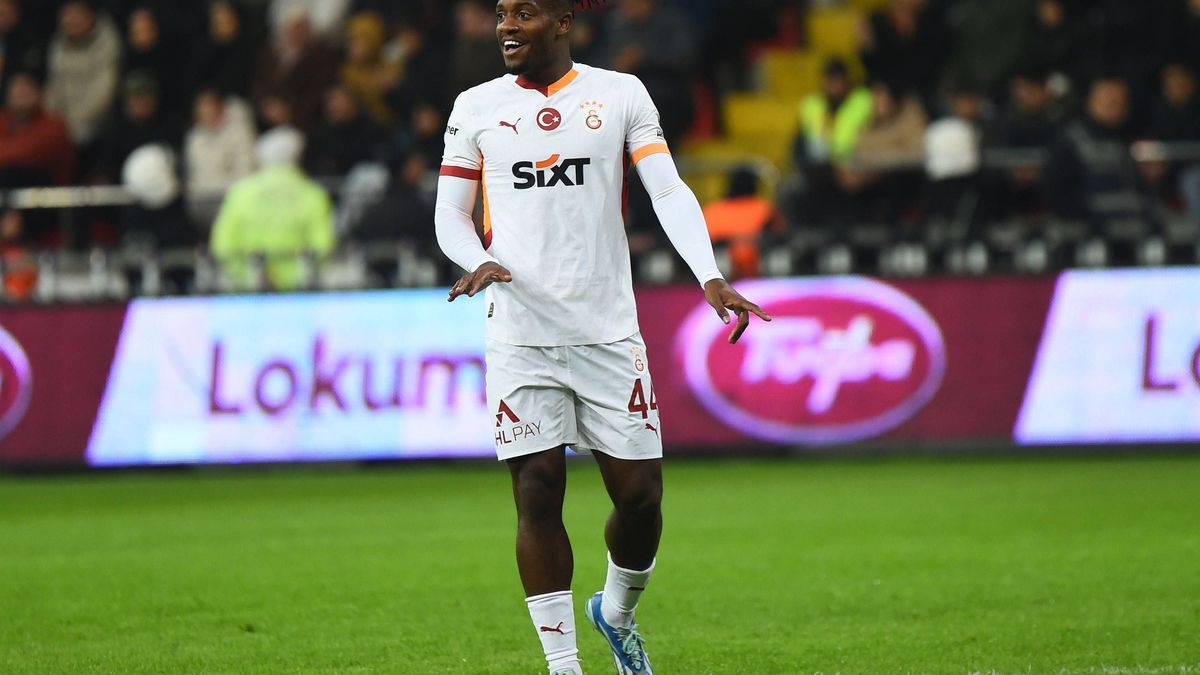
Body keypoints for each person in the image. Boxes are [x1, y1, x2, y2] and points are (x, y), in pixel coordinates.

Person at [435, 2, 769, 673]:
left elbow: (669, 191)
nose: (506, 26)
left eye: (523, 13)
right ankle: (564, 666)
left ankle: (615, 611)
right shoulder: (474, 106)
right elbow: (450, 213)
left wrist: (709, 274)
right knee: (536, 486)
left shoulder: (620, 95)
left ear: (562, 22)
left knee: (642, 499)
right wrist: (475, 259)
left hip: (607, 330)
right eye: (501, 13)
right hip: (521, 330)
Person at [210, 127, 334, 291]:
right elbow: (323, 245)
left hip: (250, 288)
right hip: (299, 293)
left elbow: (222, 245)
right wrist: (297, 278)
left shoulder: (240, 192)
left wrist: (248, 277)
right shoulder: (314, 194)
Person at [0, 71, 74, 187]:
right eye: (17, 88)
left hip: (46, 197)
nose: (22, 93)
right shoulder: (3, 121)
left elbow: (26, 154)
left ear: (39, 93)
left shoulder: (54, 125)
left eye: (27, 87)